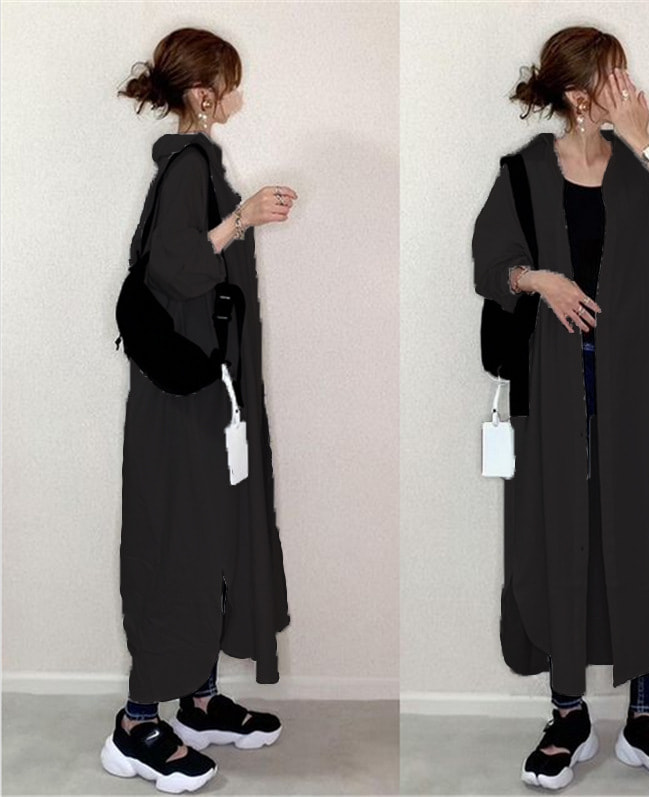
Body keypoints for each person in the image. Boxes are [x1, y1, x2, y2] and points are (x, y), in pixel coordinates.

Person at [472, 27, 649, 793]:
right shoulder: (523, 173)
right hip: (552, 388)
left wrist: (642, 138)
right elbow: (489, 261)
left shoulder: (643, 171)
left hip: (638, 387)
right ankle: (568, 715)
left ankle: (646, 719)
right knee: (557, 536)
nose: (628, 85)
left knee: (644, 531)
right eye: (615, 75)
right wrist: (539, 279)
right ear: (580, 94)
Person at [102, 28, 297, 793]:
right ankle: (136, 725)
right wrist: (241, 219)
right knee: (178, 543)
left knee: (208, 535)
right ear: (202, 93)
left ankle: (199, 700)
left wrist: (242, 216)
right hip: (180, 398)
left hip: (203, 393)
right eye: (229, 81)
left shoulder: (197, 162)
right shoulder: (188, 165)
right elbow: (175, 265)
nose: (236, 94)